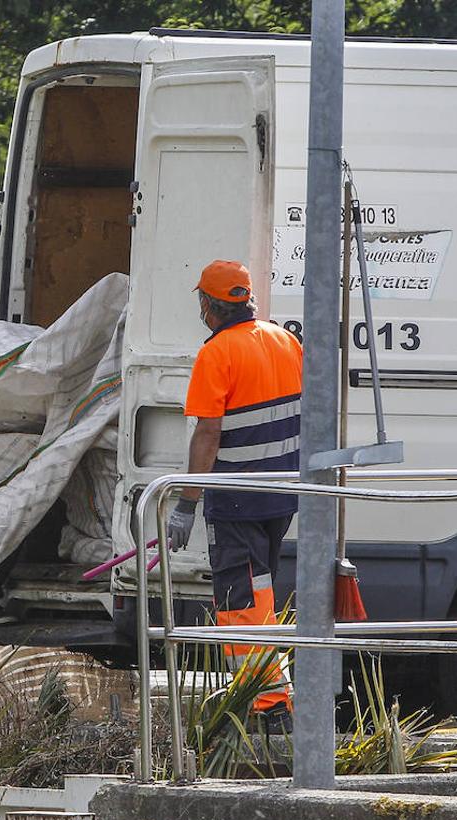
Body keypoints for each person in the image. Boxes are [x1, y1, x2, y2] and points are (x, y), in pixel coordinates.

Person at [166, 259, 301, 730]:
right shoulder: (285, 340)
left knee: (241, 601)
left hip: (238, 497)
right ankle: (273, 694)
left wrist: (186, 502)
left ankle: (266, 705)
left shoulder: (217, 353)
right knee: (260, 594)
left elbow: (207, 435)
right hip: (282, 495)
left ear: (209, 304)